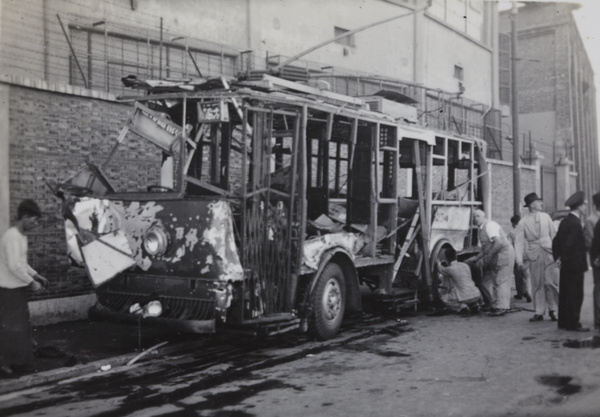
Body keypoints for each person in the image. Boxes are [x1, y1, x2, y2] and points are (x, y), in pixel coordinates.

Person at [0, 199, 49, 377]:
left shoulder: (21, 236)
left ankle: (17, 361)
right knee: (9, 328)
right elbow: (14, 266)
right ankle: (4, 365)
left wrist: (36, 275)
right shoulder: (12, 236)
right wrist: (31, 282)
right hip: (8, 290)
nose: (35, 224)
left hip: (17, 289)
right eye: (34, 220)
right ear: (25, 217)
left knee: (20, 328)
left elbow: (22, 263)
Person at [514, 193, 559, 323]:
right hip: (534, 254)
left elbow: (554, 236)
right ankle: (539, 312)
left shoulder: (546, 217)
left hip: (549, 252)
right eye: (539, 202)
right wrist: (519, 260)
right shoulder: (523, 222)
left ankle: (553, 310)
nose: (541, 204)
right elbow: (519, 242)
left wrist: (558, 253)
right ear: (532, 205)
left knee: (551, 283)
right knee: (537, 283)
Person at [552, 191, 589, 332]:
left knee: (566, 293)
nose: (585, 208)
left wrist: (558, 259)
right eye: (584, 206)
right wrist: (565, 258)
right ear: (579, 207)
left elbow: (556, 242)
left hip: (566, 266)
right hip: (575, 265)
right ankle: (573, 323)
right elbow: (570, 244)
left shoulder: (565, 221)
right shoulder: (576, 224)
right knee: (575, 294)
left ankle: (563, 321)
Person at [472, 209, 515, 316]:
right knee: (497, 281)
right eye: (474, 217)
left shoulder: (490, 225)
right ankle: (497, 305)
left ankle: (502, 307)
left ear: (484, 216)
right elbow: (486, 248)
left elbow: (498, 243)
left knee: (502, 281)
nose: (475, 219)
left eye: (478, 216)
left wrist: (489, 256)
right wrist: (476, 258)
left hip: (504, 255)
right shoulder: (481, 229)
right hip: (498, 256)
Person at [436, 247, 482, 314]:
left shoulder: (450, 269)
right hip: (476, 294)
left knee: (444, 299)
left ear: (446, 258)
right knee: (463, 289)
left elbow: (441, 269)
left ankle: (462, 307)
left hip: (465, 297)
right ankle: (475, 305)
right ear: (456, 256)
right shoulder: (465, 265)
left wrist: (438, 262)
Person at [508, 214, 532, 303]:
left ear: (513, 223)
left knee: (518, 275)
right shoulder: (527, 230)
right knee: (527, 275)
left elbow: (510, 245)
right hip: (528, 254)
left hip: (518, 255)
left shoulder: (512, 232)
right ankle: (528, 292)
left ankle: (520, 293)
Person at [585, 192, 600, 331]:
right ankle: (598, 319)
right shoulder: (591, 220)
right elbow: (590, 242)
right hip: (597, 260)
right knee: (598, 288)